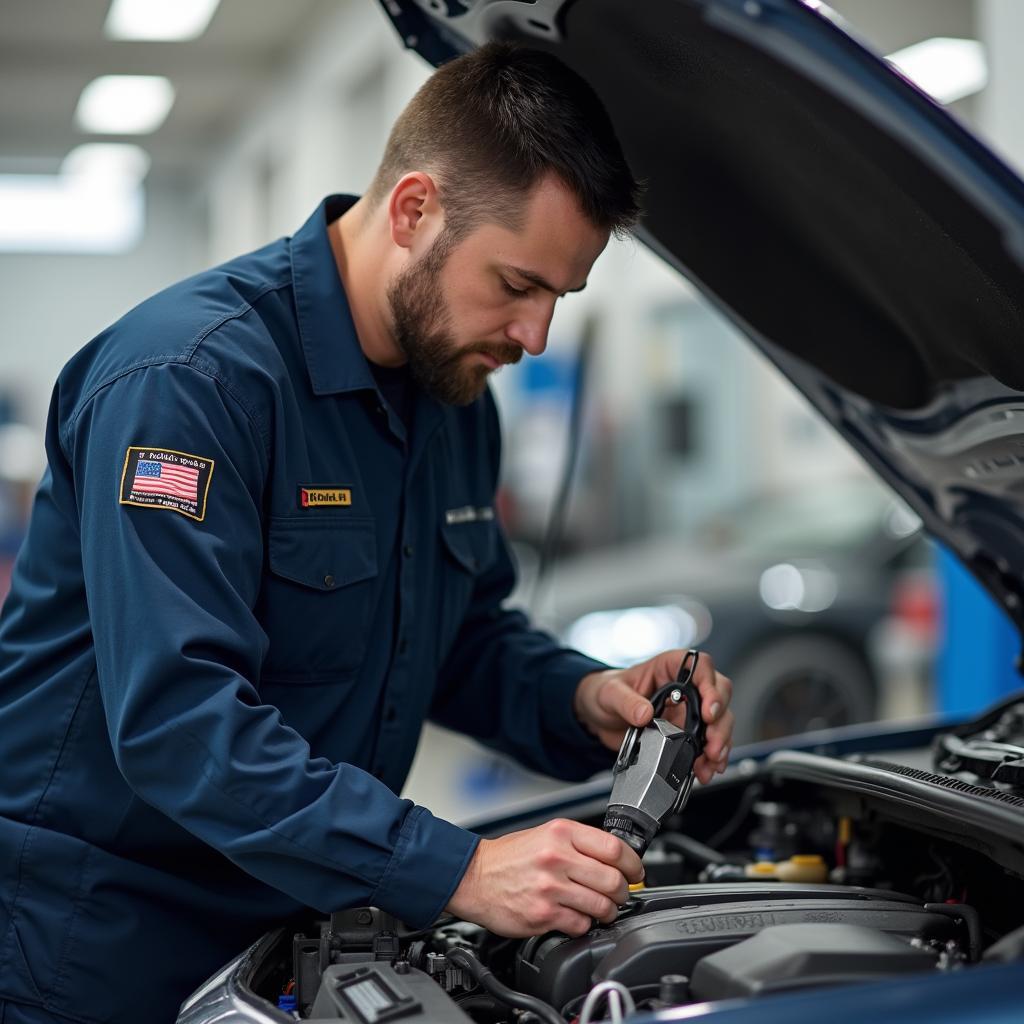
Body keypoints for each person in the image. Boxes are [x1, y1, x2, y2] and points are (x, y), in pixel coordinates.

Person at [0, 42, 733, 1024]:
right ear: (413, 209)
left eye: (559, 295)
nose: (536, 335)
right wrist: (457, 867)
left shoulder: (453, 393)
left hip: (294, 936)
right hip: (101, 958)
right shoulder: (188, 383)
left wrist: (588, 697)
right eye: (517, 283)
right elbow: (181, 724)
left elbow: (461, 634)